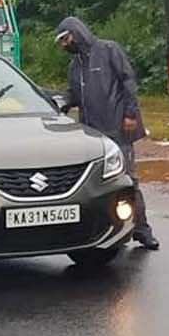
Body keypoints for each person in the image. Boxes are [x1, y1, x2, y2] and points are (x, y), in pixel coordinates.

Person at [56, 17, 157, 250]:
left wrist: (130, 114)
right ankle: (112, 230)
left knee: (129, 180)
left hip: (119, 128)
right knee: (100, 186)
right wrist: (57, 102)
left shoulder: (109, 50)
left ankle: (142, 230)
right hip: (93, 136)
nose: (64, 44)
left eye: (65, 38)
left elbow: (128, 82)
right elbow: (73, 95)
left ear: (76, 32)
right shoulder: (75, 66)